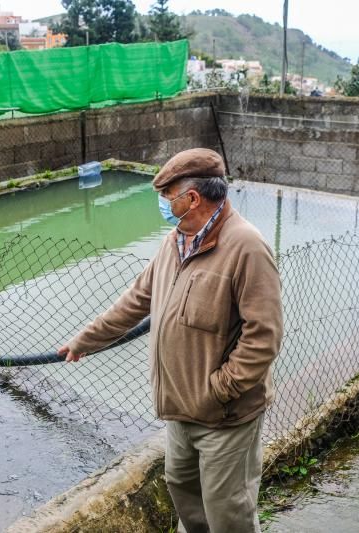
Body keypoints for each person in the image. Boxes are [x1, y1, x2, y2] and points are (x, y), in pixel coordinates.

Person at [58, 148, 283, 532]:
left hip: (224, 415)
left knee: (228, 510)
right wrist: (84, 340)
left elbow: (264, 335)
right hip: (180, 410)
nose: (163, 205)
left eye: (167, 197)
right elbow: (135, 302)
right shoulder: (175, 242)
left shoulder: (246, 246)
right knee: (183, 489)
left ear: (192, 198)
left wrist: (220, 389)